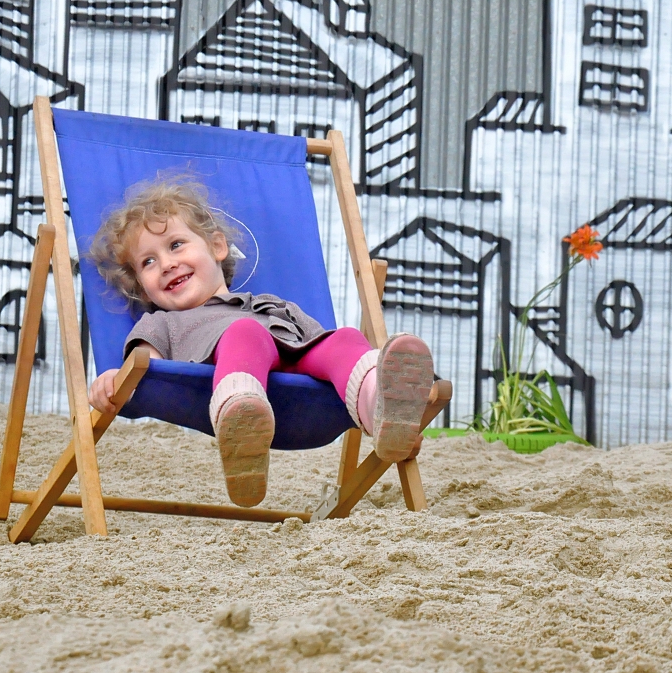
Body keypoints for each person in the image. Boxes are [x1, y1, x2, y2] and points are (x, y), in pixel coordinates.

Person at [86, 174, 434, 507]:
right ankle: (241, 418)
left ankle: (382, 412)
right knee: (245, 333)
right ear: (141, 285)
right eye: (148, 262)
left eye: (176, 245)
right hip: (230, 392)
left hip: (307, 389)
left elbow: (318, 345)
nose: (166, 264)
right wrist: (114, 383)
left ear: (218, 246)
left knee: (346, 338)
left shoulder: (270, 305)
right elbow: (146, 371)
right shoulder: (161, 323)